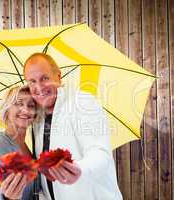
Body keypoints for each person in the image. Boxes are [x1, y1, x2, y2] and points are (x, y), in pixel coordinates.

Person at [24, 53, 123, 200]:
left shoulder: (82, 102)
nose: (38, 87)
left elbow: (100, 153)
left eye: (44, 78)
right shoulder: (37, 119)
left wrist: (80, 169)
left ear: (58, 76)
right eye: (32, 81)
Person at [0, 86, 40, 200]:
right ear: (7, 110)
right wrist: (6, 196)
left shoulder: (27, 146)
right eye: (19, 104)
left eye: (31, 105)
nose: (26, 110)